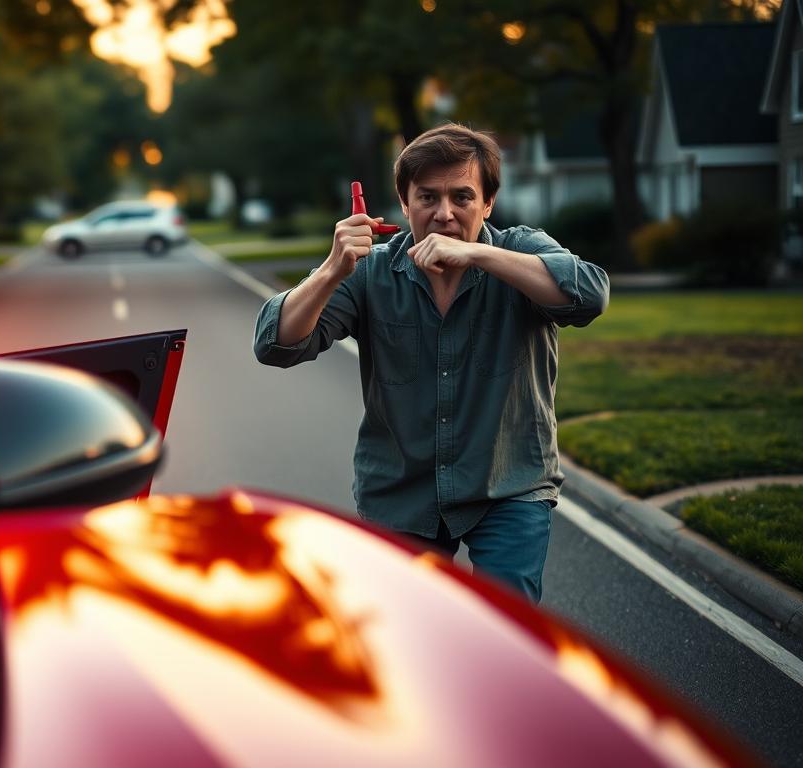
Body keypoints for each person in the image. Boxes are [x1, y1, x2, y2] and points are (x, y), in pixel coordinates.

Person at [252, 123, 609, 603]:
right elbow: (275, 342)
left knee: (505, 630)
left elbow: (589, 293)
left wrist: (478, 254)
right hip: (400, 492)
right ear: (404, 203)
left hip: (507, 484)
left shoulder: (520, 251)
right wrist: (333, 268)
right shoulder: (372, 271)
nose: (444, 214)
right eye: (428, 198)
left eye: (462, 197)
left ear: (488, 204)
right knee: (407, 640)